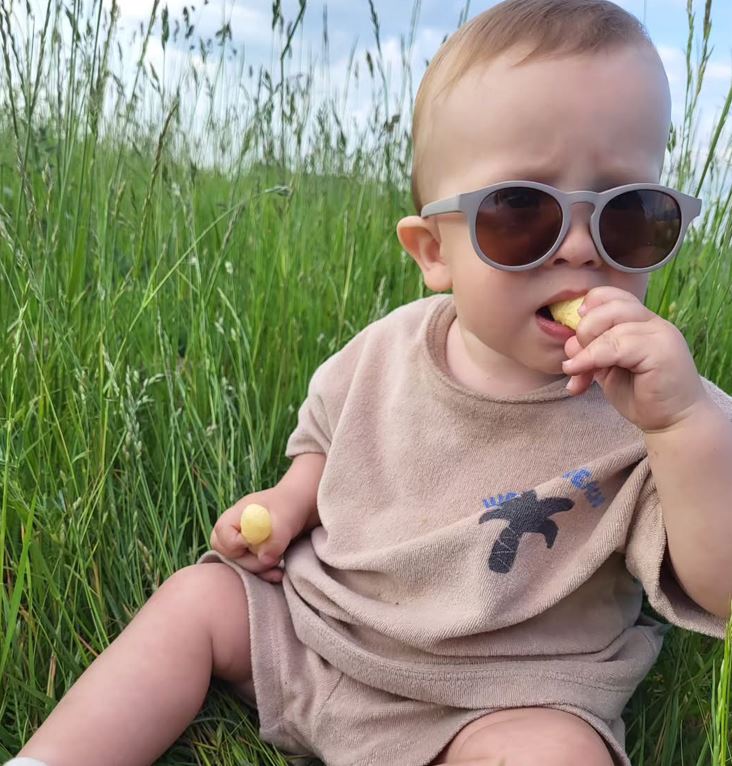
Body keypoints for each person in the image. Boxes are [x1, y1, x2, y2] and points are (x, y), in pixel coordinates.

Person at [9, 1, 732, 765]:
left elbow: (719, 586)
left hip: (502, 699)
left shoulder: (664, 410)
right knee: (197, 600)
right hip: (316, 636)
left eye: (630, 216)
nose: (582, 250)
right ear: (433, 252)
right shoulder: (386, 350)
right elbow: (328, 443)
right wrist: (288, 503)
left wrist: (681, 429)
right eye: (520, 212)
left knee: (555, 753)